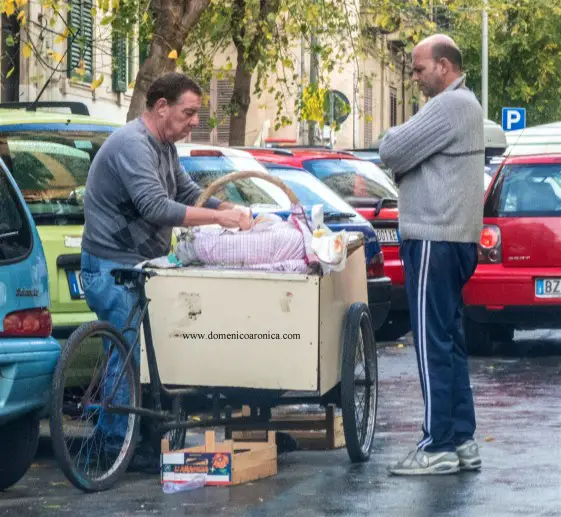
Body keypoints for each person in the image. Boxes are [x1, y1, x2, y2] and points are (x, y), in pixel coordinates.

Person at [80, 72, 252, 471]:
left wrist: (226, 208)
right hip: (112, 266)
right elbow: (156, 207)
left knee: (136, 353)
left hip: (141, 265)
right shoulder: (133, 145)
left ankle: (136, 436)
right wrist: (217, 220)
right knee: (125, 351)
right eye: (189, 112)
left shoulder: (164, 148)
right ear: (161, 108)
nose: (195, 122)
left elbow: (186, 192)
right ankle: (114, 445)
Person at [379, 34, 484, 475]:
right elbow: (406, 155)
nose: (415, 77)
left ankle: (436, 444)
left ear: (444, 66)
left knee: (430, 344)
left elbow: (390, 149)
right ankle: (462, 440)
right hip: (454, 238)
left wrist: (403, 154)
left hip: (433, 238)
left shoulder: (448, 105)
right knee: (450, 341)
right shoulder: (468, 106)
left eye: (420, 69)